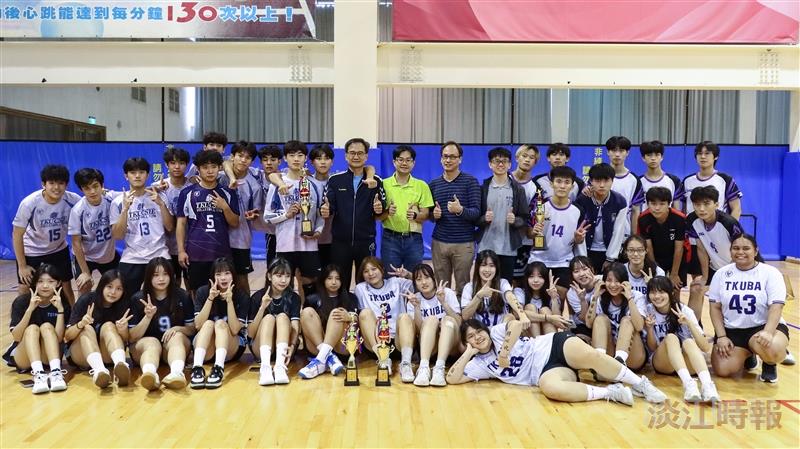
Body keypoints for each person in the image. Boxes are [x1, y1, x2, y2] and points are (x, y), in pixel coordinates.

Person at [447, 318, 667, 406]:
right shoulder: (480, 364)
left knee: (592, 355)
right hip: (546, 371)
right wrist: (468, 353)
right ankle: (611, 392)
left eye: (479, 332)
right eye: (471, 337)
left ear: (485, 330)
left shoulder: (495, 333)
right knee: (550, 388)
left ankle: (640, 384)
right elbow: (452, 379)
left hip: (551, 344)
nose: (478, 337)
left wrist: (504, 353)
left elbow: (515, 324)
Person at [709, 235, 790, 383]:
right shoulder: (721, 274)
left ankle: (769, 363)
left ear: (756, 250)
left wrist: (768, 332)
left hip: (762, 327)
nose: (740, 252)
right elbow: (714, 308)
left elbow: (776, 307)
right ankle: (748, 354)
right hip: (732, 330)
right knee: (723, 370)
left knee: (772, 350)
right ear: (730, 250)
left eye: (746, 248)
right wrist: (721, 336)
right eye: (736, 248)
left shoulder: (770, 273)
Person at [321, 138, 385, 291]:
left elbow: (382, 206)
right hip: (340, 242)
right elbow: (328, 206)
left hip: (366, 240)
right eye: (352, 153)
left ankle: (365, 312)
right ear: (345, 156)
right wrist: (325, 210)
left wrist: (379, 208)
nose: (356, 156)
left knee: (366, 281)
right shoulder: (335, 180)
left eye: (360, 153)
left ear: (366, 156)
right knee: (339, 281)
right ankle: (342, 311)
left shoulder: (376, 181)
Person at [264, 140, 324, 301]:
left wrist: (318, 231)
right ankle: (285, 318)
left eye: (300, 155)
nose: (296, 159)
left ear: (305, 158)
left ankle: (310, 317)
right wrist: (286, 215)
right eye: (292, 155)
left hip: (309, 244)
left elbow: (320, 213)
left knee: (311, 283)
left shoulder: (315, 185)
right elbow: (267, 217)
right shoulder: (277, 185)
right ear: (285, 158)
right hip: (285, 244)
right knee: (284, 282)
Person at [643, 276, 719, 403]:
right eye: (653, 292)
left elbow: (705, 347)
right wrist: (650, 329)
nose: (657, 296)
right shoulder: (648, 310)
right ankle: (688, 384)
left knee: (688, 341)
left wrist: (688, 323)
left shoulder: (684, 310)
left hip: (687, 363)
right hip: (663, 363)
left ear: (671, 293)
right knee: (671, 337)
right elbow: (652, 348)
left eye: (661, 292)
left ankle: (707, 385)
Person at [175, 150, 240, 297]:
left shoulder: (228, 192)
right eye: (205, 167)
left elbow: (235, 222)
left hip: (221, 254)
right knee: (197, 293)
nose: (210, 171)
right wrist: (180, 250)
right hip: (196, 253)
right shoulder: (187, 193)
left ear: (220, 168)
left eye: (213, 167)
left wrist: (224, 207)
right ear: (198, 169)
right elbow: (181, 224)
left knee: (224, 292)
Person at [13, 164, 80, 305]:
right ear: (43, 184)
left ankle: (72, 316)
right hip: (32, 251)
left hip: (58, 249)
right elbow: (17, 234)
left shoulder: (73, 200)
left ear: (66, 185)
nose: (56, 187)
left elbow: (90, 203)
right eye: (52, 183)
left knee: (66, 285)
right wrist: (22, 266)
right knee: (25, 286)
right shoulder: (29, 203)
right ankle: (20, 318)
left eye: (61, 183)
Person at [128, 257, 195, 390]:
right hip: (144, 350)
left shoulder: (182, 296)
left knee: (176, 336)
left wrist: (178, 328)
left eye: (165, 274)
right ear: (148, 277)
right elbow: (131, 337)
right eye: (156, 275)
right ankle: (150, 374)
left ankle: (177, 373)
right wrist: (147, 317)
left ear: (171, 276)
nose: (161, 279)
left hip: (172, 348)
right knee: (152, 342)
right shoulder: (138, 299)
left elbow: (192, 329)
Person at [110, 157, 174, 295]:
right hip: (132, 257)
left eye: (141, 172)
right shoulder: (118, 202)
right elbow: (118, 235)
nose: (137, 176)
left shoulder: (160, 196)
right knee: (126, 299)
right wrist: (125, 209)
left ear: (148, 175)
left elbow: (170, 227)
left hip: (159, 254)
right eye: (133, 172)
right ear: (126, 176)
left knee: (165, 297)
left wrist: (161, 204)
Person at [428, 141, 481, 296]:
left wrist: (460, 210)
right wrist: (433, 215)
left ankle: (461, 318)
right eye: (445, 156)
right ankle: (443, 319)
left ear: (460, 159)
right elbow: (430, 213)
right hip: (439, 242)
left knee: (463, 287)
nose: (448, 160)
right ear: (440, 159)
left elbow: (477, 213)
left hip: (464, 244)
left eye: (452, 156)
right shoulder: (434, 184)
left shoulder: (470, 182)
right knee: (441, 287)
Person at [64, 269, 131, 389]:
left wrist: (122, 330)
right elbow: (67, 336)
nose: (113, 292)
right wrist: (81, 324)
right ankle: (99, 371)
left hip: (107, 354)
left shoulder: (123, 305)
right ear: (101, 286)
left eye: (119, 289)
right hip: (81, 355)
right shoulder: (86, 300)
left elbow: (126, 340)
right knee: (87, 328)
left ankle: (121, 365)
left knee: (109, 326)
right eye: (109, 287)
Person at [528, 166, 589, 298]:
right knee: (538, 297)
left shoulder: (578, 210)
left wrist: (579, 238)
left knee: (563, 296)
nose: (562, 186)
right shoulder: (540, 207)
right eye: (558, 181)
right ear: (551, 184)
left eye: (567, 182)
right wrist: (533, 232)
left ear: (572, 186)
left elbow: (579, 240)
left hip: (564, 262)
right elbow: (529, 234)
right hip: (539, 259)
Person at [8, 264, 70, 394]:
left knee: (47, 327)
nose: (45, 286)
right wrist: (29, 310)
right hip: (24, 357)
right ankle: (38, 374)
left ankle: (56, 373)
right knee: (32, 328)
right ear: (35, 283)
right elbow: (17, 337)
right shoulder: (22, 302)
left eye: (50, 281)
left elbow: (59, 338)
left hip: (49, 356)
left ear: (58, 283)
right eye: (40, 281)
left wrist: (60, 310)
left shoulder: (62, 303)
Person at [685, 185, 743, 321]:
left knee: (727, 296)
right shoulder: (692, 220)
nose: (701, 209)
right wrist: (705, 277)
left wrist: (734, 274)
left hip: (739, 267)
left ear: (716, 204)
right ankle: (694, 330)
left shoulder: (728, 222)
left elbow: (742, 250)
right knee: (696, 288)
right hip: (715, 268)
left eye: (706, 204)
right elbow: (701, 249)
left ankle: (726, 332)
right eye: (697, 204)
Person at [189, 258, 249, 389]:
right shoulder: (203, 292)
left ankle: (218, 368)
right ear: (212, 276)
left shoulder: (241, 295)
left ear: (233, 275)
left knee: (221, 323)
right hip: (207, 348)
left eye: (227, 273)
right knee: (209, 324)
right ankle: (197, 367)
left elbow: (234, 330)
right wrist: (210, 298)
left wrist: (229, 301)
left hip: (231, 348)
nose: (223, 278)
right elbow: (198, 325)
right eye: (218, 274)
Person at [353, 257, 415, 382]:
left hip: (398, 341)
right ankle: (383, 359)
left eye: (374, 269)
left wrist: (407, 274)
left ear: (382, 269)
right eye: (366, 271)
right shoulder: (361, 288)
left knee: (404, 317)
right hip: (376, 342)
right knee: (364, 313)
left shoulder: (396, 283)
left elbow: (423, 283)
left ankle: (406, 364)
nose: (370, 273)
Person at [476, 147, 530, 282]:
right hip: (486, 245)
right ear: (490, 164)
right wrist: (484, 219)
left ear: (510, 165)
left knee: (505, 284)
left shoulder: (518, 190)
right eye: (496, 161)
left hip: (508, 247)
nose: (500, 164)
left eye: (504, 161)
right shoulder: (482, 188)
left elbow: (524, 218)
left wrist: (515, 220)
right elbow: (475, 218)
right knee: (484, 283)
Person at [404, 264, 461, 387]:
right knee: (431, 320)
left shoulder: (447, 293)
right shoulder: (414, 300)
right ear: (414, 283)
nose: (423, 282)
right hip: (431, 347)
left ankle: (439, 368)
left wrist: (443, 302)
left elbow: (459, 322)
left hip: (452, 342)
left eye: (427, 277)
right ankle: (424, 368)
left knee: (447, 320)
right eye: (418, 279)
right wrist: (417, 308)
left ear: (433, 278)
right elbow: (419, 331)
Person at [247, 258, 302, 385]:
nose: (283, 280)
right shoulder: (257, 297)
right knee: (269, 318)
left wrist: (293, 346)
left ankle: (280, 367)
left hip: (285, 350)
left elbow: (295, 326)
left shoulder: (294, 298)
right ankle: (265, 368)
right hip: (260, 349)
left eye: (287, 276)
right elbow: (250, 334)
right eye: (279, 275)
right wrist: (262, 308)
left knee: (282, 317)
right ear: (269, 276)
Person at [297, 264, 356, 379]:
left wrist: (350, 317)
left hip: (341, 348)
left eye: (337, 278)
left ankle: (321, 360)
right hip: (316, 347)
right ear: (323, 280)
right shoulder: (312, 299)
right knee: (306, 312)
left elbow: (358, 325)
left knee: (337, 313)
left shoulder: (351, 298)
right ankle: (328, 357)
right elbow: (304, 327)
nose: (333, 282)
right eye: (329, 278)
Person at [219, 141, 264, 295]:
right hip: (218, 238)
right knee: (217, 277)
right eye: (240, 156)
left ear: (252, 161)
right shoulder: (220, 178)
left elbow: (256, 211)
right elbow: (224, 163)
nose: (243, 160)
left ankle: (245, 313)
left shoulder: (254, 185)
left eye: (248, 157)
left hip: (240, 239)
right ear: (232, 157)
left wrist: (253, 215)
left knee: (241, 277)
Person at [379, 145, 433, 272]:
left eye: (408, 160)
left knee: (414, 277)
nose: (404, 163)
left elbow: (425, 214)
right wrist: (387, 213)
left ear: (413, 163)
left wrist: (415, 216)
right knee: (390, 276)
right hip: (390, 239)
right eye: (400, 159)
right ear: (394, 162)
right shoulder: (383, 184)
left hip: (414, 239)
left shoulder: (421, 185)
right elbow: (376, 216)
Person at [584, 263, 648, 369]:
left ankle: (620, 360)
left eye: (617, 281)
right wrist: (595, 296)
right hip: (610, 351)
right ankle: (599, 360)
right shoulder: (599, 297)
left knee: (627, 320)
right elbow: (589, 324)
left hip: (633, 354)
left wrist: (629, 298)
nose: (613, 285)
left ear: (625, 281)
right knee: (600, 318)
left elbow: (639, 326)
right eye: (609, 280)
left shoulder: (637, 296)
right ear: (604, 281)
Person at [69, 168, 121, 295]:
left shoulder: (111, 198)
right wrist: (85, 272)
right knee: (84, 285)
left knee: (117, 286)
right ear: (81, 190)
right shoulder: (77, 211)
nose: (92, 191)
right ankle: (82, 314)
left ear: (102, 186)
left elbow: (134, 192)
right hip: (86, 257)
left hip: (108, 255)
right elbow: (76, 243)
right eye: (87, 188)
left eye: (95, 186)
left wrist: (158, 187)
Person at [574, 163, 628, 273]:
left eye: (606, 181)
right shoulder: (582, 200)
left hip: (608, 251)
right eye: (598, 181)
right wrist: (583, 259)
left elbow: (618, 231)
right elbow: (579, 230)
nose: (602, 185)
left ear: (612, 181)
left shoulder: (619, 201)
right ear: (591, 182)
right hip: (587, 252)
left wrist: (610, 258)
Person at [155, 146, 192, 287]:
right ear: (166, 165)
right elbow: (138, 192)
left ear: (186, 165)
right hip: (167, 247)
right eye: (172, 163)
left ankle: (192, 310)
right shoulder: (157, 187)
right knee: (172, 284)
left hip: (190, 245)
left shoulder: (194, 185)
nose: (177, 167)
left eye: (181, 163)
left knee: (191, 284)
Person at [637, 187, 687, 289]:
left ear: (669, 204)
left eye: (662, 204)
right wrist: (655, 270)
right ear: (647, 204)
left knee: (676, 288)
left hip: (677, 256)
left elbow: (679, 248)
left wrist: (674, 273)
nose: (657, 208)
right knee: (656, 287)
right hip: (655, 256)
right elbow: (649, 247)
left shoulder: (679, 218)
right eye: (653, 204)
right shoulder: (643, 219)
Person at [680, 141, 742, 219]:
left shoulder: (726, 180)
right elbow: (683, 208)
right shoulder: (687, 180)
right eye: (699, 153)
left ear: (716, 157)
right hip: (692, 228)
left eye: (707, 153)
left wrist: (730, 228)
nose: (702, 156)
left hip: (718, 228)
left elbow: (736, 209)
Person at [461, 250, 518, 327]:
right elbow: (465, 316)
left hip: (500, 331)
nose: (487, 270)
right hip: (480, 332)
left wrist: (522, 315)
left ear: (496, 268)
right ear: (478, 267)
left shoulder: (502, 283)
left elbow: (509, 295)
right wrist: (479, 296)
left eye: (491, 266)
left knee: (510, 317)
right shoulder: (469, 287)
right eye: (483, 265)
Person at [513, 261, 570, 337]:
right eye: (531, 276)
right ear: (526, 278)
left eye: (540, 277)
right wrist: (547, 318)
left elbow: (557, 319)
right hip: (527, 334)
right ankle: (536, 344)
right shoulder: (520, 291)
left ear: (545, 279)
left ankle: (551, 345)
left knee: (545, 310)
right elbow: (517, 313)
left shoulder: (551, 292)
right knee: (530, 307)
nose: (536, 280)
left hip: (547, 333)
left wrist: (553, 298)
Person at [510, 144, 541, 284]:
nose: (527, 160)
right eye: (524, 156)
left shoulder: (536, 189)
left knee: (519, 281)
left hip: (523, 242)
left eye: (532, 157)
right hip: (499, 239)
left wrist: (531, 232)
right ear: (517, 158)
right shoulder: (502, 179)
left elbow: (535, 216)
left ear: (536, 162)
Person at [603, 136, 644, 239]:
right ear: (608, 152)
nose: (617, 154)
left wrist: (634, 237)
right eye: (613, 150)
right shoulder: (598, 176)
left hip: (623, 234)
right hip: (599, 234)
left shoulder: (634, 180)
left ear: (627, 153)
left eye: (621, 151)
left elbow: (635, 211)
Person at [257, 144, 283, 266]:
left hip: (288, 231)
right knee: (272, 267)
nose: (268, 163)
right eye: (265, 160)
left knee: (292, 269)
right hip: (271, 232)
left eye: (273, 160)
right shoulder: (256, 175)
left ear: (280, 161)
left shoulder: (287, 176)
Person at [638, 140, 683, 210]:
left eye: (657, 155)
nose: (653, 158)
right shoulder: (638, 182)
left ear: (662, 157)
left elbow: (676, 209)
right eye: (649, 155)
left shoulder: (674, 180)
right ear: (643, 158)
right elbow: (636, 209)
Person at [565, 256, 600, 342]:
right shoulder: (572, 293)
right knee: (579, 341)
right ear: (572, 275)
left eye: (585, 269)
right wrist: (582, 300)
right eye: (576, 271)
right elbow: (585, 320)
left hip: (603, 321)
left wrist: (597, 288)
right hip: (585, 325)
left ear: (592, 269)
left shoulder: (602, 281)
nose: (582, 274)